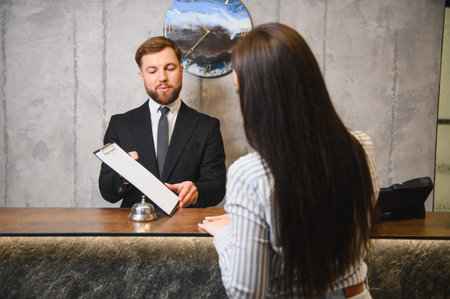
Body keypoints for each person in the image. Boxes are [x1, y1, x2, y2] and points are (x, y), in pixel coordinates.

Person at [198, 23, 379, 298]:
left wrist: (226, 234)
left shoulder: (250, 175)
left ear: (259, 95)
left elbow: (246, 293)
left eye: (240, 90)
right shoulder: (361, 146)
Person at [99, 36, 226, 209]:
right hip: (133, 230)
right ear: (142, 76)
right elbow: (107, 192)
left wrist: (196, 190)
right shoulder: (120, 124)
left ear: (181, 71)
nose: (162, 78)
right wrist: (123, 176)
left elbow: (217, 188)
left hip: (185, 231)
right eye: (152, 71)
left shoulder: (207, 126)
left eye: (170, 68)